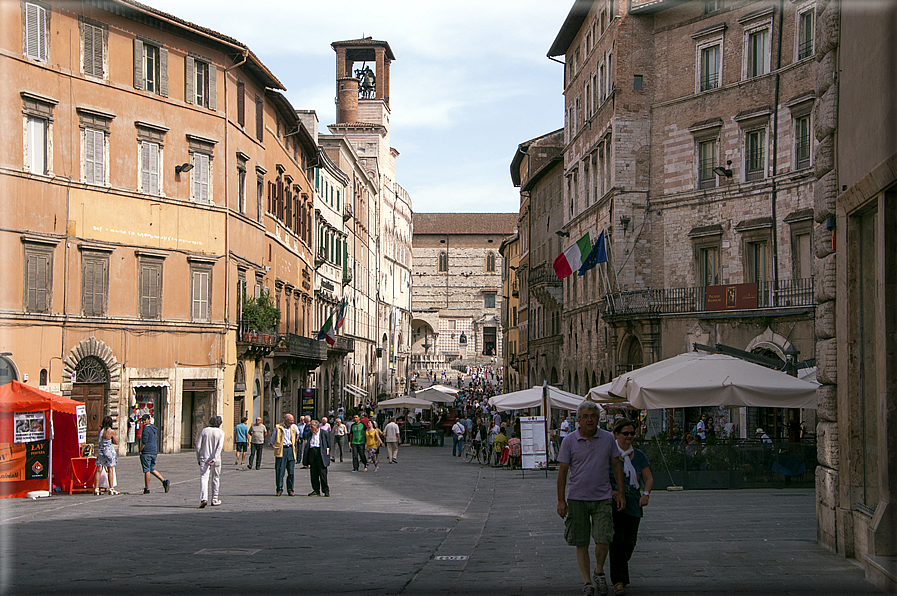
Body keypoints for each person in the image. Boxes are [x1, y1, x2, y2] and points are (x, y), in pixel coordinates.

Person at [557, 401, 626, 596]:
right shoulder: (569, 441)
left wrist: (620, 492)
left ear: (598, 418)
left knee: (604, 538)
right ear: (578, 419)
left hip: (602, 497)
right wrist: (561, 500)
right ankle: (587, 581)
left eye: (593, 416)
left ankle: (599, 570)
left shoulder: (607, 439)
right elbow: (562, 472)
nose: (589, 419)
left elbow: (616, 466)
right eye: (585, 416)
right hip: (577, 497)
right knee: (581, 541)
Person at [608, 418, 653, 596]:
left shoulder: (639, 455)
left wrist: (646, 494)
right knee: (617, 540)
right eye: (625, 433)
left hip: (634, 499)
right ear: (617, 434)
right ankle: (619, 581)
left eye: (632, 433)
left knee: (630, 541)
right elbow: (602, 476)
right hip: (616, 500)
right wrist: (611, 492)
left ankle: (618, 567)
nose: (629, 437)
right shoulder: (610, 455)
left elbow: (648, 477)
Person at [196, 415, 225, 508]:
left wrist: (198, 458)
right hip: (216, 459)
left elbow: (198, 446)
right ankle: (215, 499)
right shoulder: (221, 432)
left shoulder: (205, 430)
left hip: (204, 458)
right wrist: (214, 458)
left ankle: (204, 498)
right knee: (215, 478)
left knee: (204, 478)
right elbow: (219, 446)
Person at [138, 414, 170, 495]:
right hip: (154, 451)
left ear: (149, 419)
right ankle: (164, 481)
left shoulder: (146, 429)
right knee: (151, 468)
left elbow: (144, 441)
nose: (143, 421)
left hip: (147, 452)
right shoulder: (154, 428)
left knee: (146, 470)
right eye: (143, 420)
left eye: (145, 420)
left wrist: (140, 449)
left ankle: (147, 488)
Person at [272, 413, 299, 496]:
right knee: (280, 471)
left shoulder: (293, 428)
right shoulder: (278, 427)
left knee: (291, 472)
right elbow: (272, 440)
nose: (292, 422)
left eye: (292, 421)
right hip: (281, 450)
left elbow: (297, 435)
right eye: (290, 421)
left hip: (290, 449)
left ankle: (290, 490)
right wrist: (277, 447)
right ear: (285, 420)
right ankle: (279, 489)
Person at [302, 420, 331, 497]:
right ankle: (316, 490)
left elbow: (328, 446)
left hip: (320, 453)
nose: (310, 428)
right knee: (313, 473)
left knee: (323, 474)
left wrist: (327, 456)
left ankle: (325, 490)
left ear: (317, 427)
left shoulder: (324, 434)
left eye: (312, 426)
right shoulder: (309, 434)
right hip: (312, 453)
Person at [94, 415, 119, 495]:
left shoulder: (100, 430)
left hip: (100, 451)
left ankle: (96, 488)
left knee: (99, 470)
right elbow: (116, 442)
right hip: (108, 451)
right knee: (110, 469)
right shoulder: (111, 431)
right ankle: (111, 488)